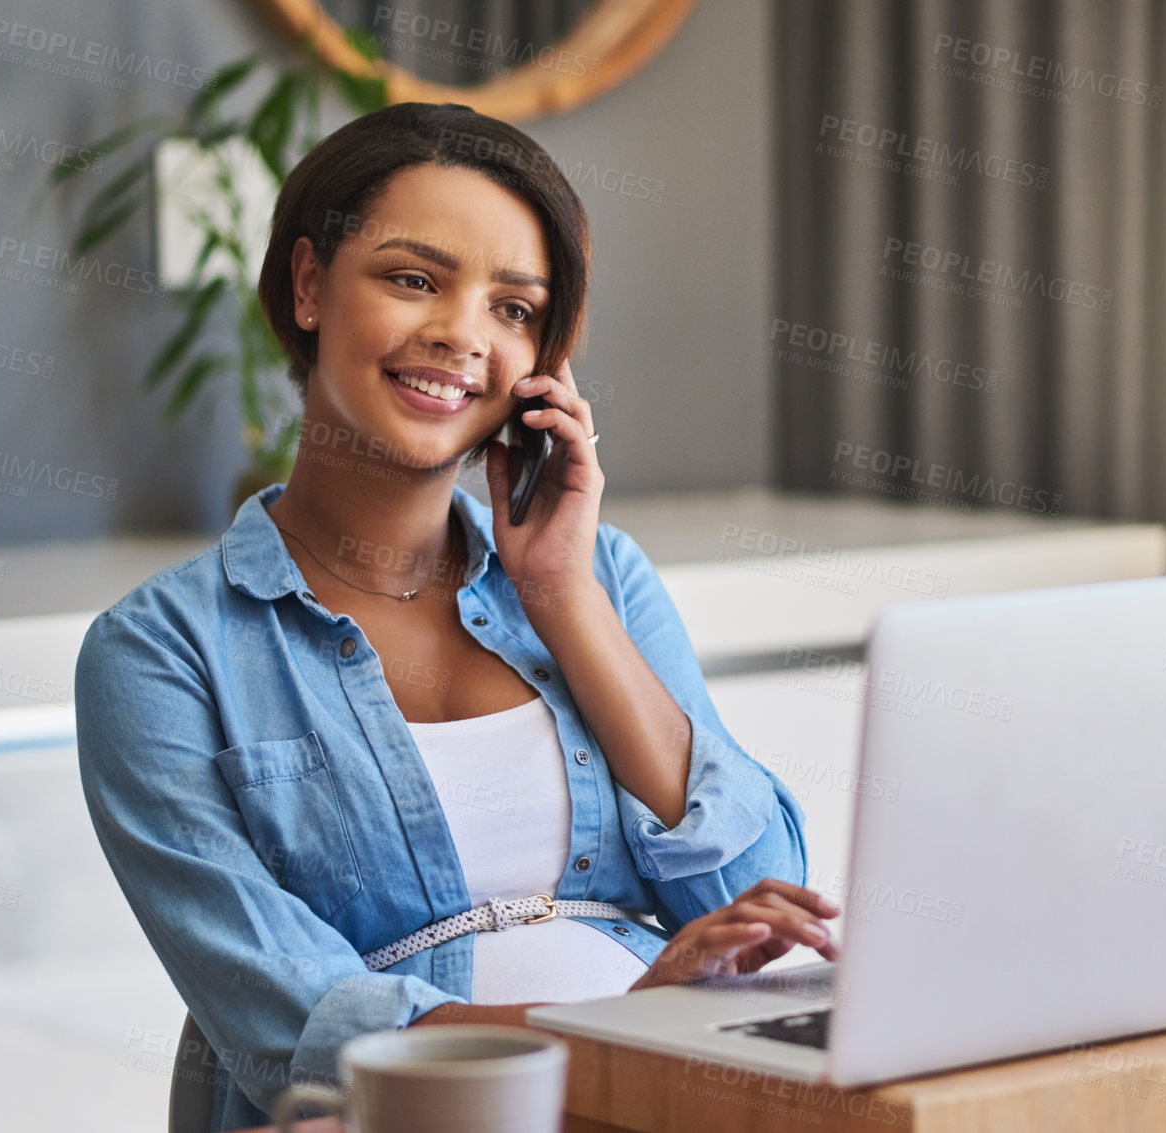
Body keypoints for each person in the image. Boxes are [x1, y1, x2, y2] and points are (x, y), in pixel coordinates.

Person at [73, 102, 839, 1132]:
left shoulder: (599, 576)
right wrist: (606, 1031)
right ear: (308, 284)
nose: (462, 335)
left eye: (514, 309)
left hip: (662, 1096)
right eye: (413, 278)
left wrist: (562, 597)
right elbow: (289, 1014)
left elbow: (760, 901)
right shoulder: (161, 652)